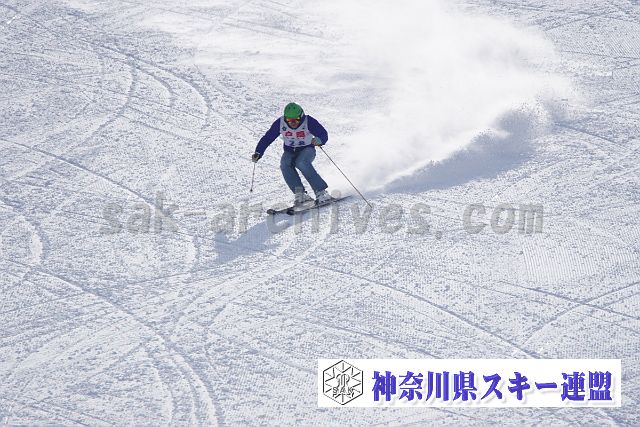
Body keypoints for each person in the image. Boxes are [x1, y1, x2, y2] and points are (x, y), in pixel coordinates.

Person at [252, 102, 333, 206]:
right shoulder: (280, 123)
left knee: (301, 162)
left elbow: (323, 133)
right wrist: (258, 152)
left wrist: (319, 140)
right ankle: (301, 196)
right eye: (289, 120)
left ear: (301, 116)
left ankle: (321, 193)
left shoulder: (308, 121)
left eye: (296, 120)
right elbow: (268, 138)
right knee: (284, 164)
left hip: (307, 149)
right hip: (290, 151)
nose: (292, 123)